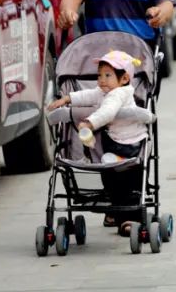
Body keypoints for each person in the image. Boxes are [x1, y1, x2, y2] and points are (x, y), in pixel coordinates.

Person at [56, 0, 176, 229]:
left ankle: (126, 208)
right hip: (100, 69)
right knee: (104, 128)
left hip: (135, 68)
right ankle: (118, 204)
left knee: (129, 132)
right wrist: (68, 9)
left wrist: (158, 12)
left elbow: (167, 3)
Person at [47, 50, 148, 237]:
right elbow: (89, 95)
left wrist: (89, 122)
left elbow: (107, 112)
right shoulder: (105, 91)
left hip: (130, 145)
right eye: (99, 75)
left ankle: (129, 218)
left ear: (124, 78)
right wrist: (67, 98)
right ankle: (118, 210)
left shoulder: (119, 94)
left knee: (127, 184)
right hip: (116, 142)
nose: (101, 80)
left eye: (108, 75)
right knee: (112, 177)